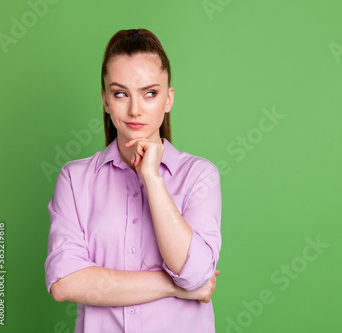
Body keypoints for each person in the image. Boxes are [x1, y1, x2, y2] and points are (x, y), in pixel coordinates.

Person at [44, 28, 222, 333]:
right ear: (105, 101)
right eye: (120, 93)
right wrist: (176, 288)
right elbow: (65, 282)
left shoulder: (199, 175)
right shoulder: (75, 180)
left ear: (168, 99)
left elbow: (192, 272)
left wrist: (152, 178)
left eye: (150, 93)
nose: (135, 109)